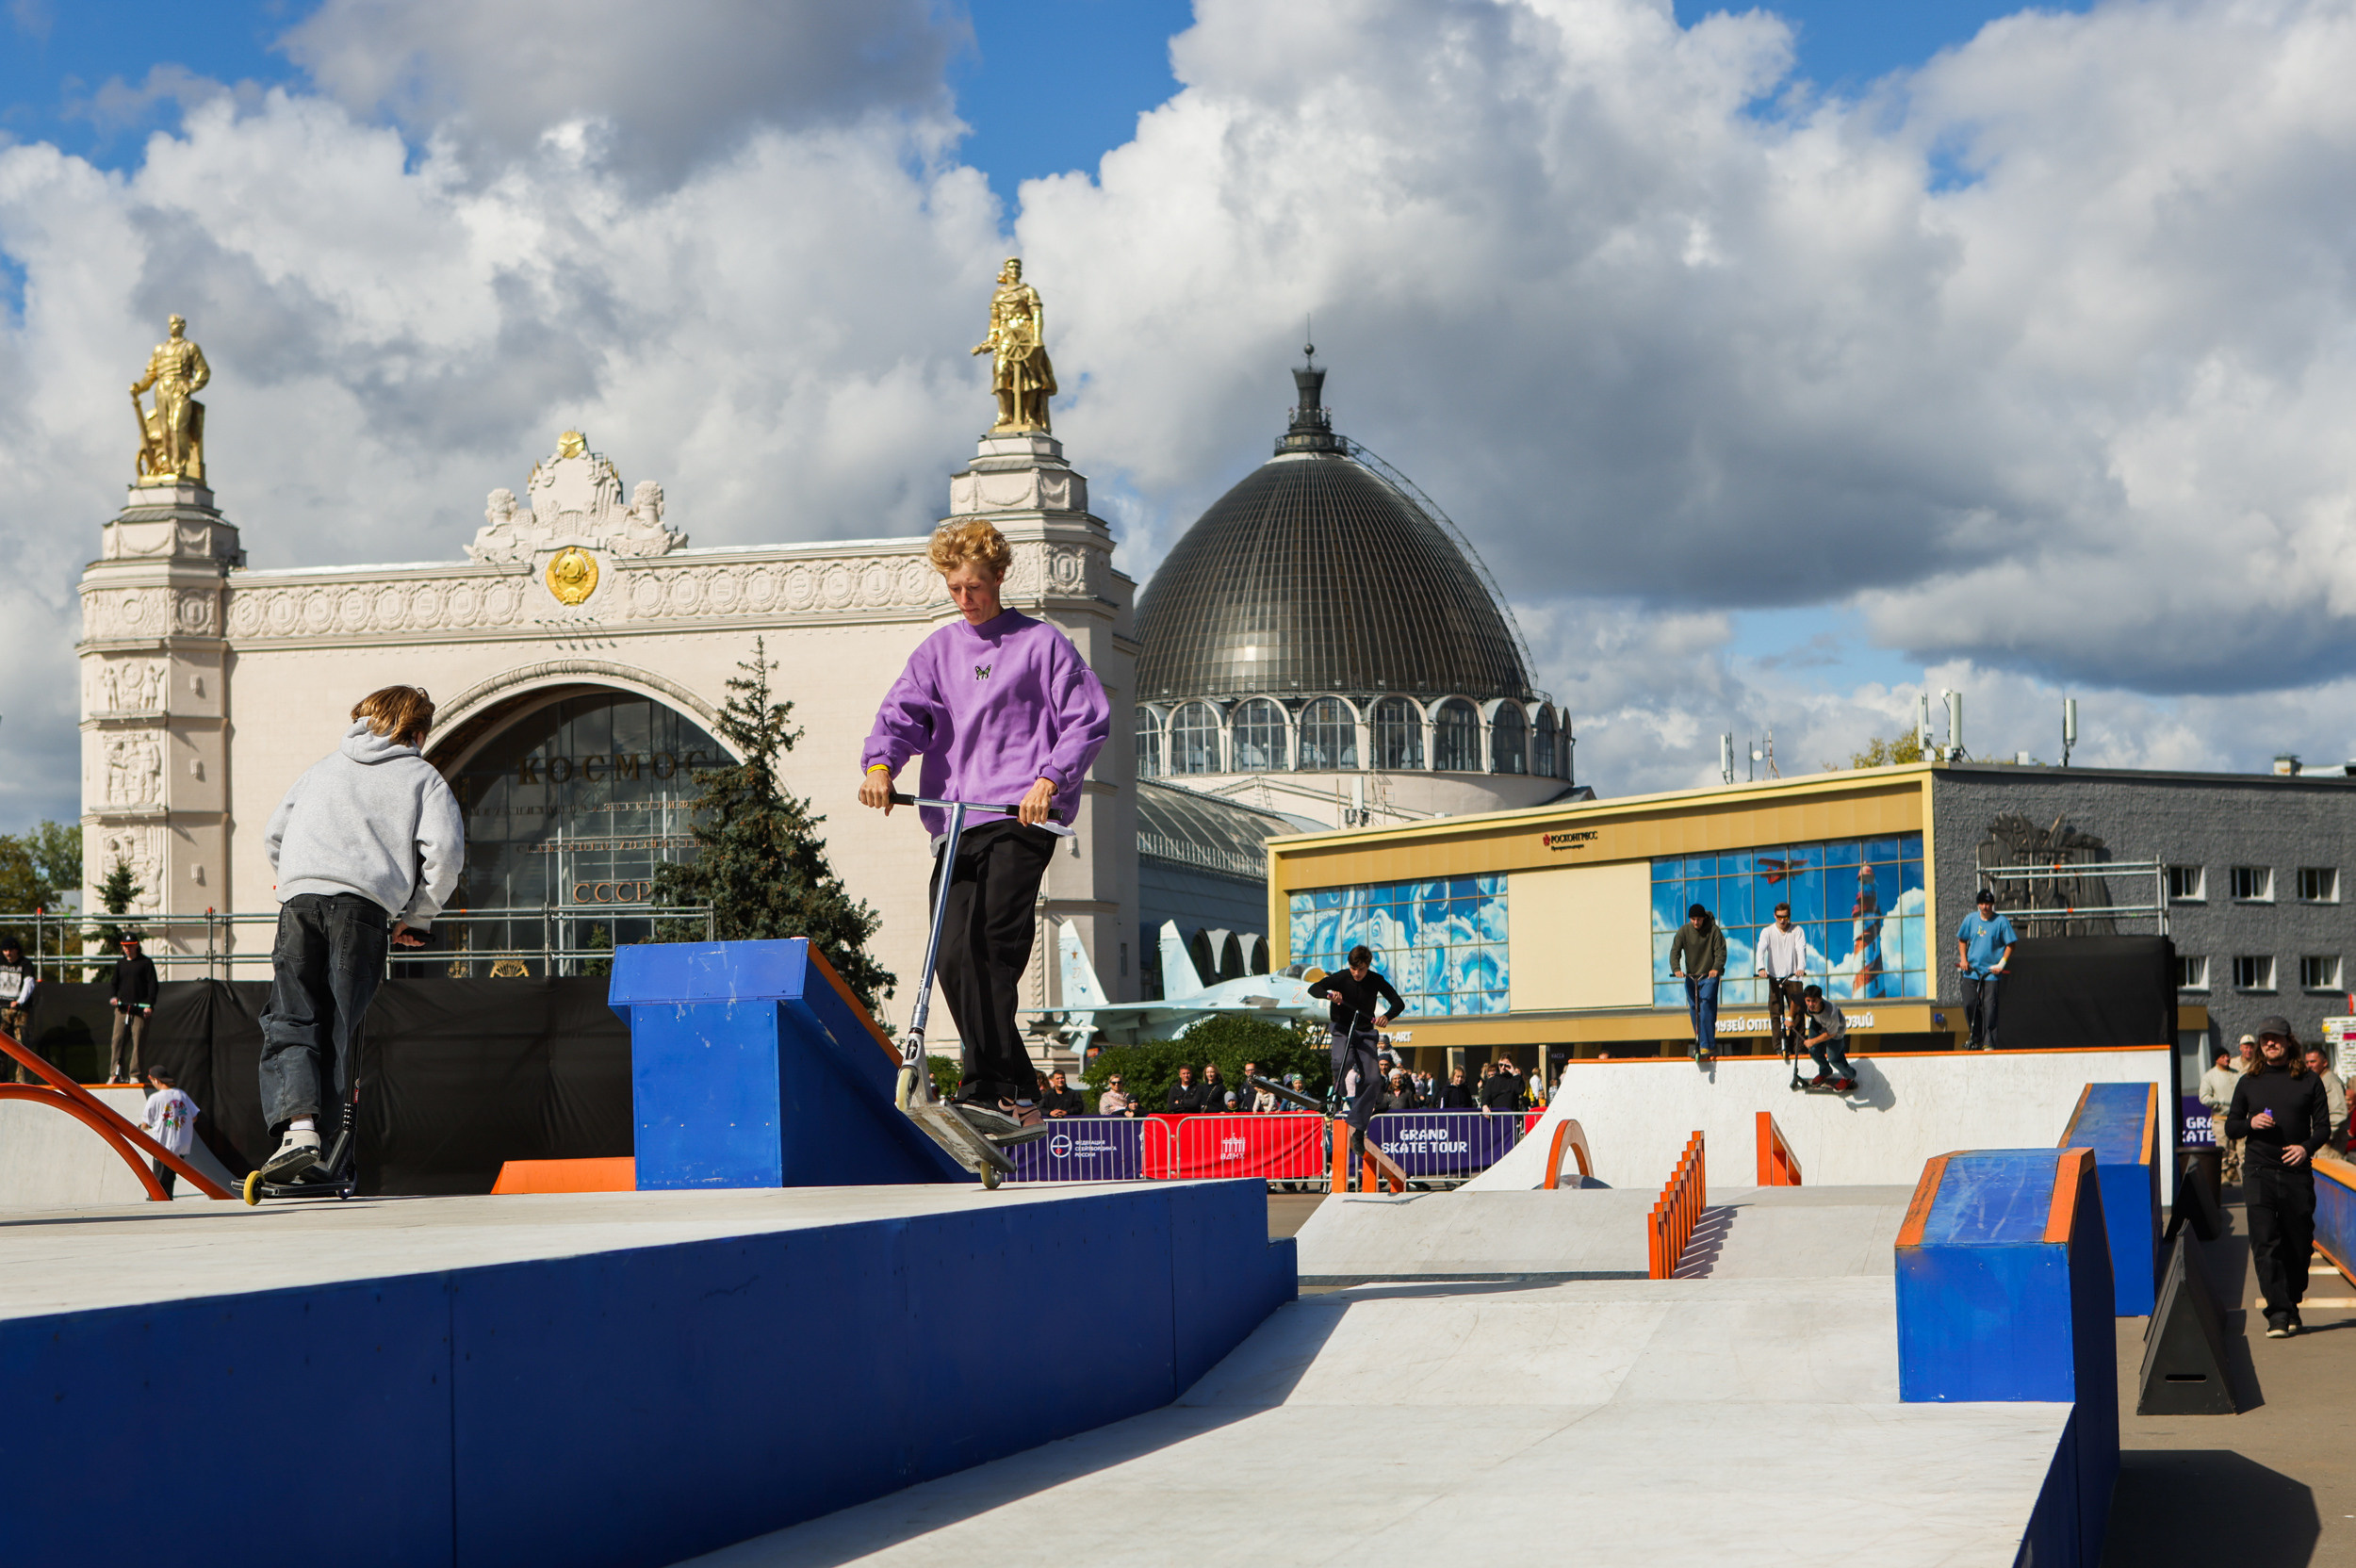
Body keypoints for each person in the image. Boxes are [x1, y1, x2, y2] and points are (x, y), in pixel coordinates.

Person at [859, 518, 1111, 1121]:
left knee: (991, 946)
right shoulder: (938, 652)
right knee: (950, 955)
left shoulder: (1042, 644)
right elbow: (900, 717)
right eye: (954, 588)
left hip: (1020, 817)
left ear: (999, 577)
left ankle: (987, 1086)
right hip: (956, 823)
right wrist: (881, 767)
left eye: (973, 586)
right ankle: (1019, 1088)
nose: (964, 598)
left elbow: (1086, 719)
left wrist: (1049, 780)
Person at [254, 685, 464, 1184]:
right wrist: (417, 916)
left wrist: (297, 879)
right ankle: (327, 1152)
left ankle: (299, 1131)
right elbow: (446, 854)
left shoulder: (322, 769)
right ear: (417, 732)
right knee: (341, 1025)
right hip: (363, 908)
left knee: (291, 1016)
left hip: (299, 904)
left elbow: (274, 834)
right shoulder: (422, 778)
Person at [2224, 1018, 2331, 1336]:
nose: (2270, 1043)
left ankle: (2291, 1301)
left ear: (2289, 1042)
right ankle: (2279, 1314)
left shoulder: (2309, 1080)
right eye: (2265, 1039)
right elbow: (2232, 1126)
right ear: (2260, 1045)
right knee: (2264, 1242)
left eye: (2276, 1038)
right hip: (2259, 1171)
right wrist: (2250, 1123)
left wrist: (2305, 1148)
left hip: (2296, 1172)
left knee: (2299, 1244)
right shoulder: (2248, 1081)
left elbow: (2323, 1128)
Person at [1307, 945, 1405, 1145]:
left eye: (1360, 969)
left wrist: (1387, 1016)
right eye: (1353, 969)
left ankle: (1358, 1126)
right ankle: (1337, 1095)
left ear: (1368, 966)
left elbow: (1398, 1003)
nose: (1356, 974)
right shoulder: (1341, 977)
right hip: (1342, 1029)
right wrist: (1329, 995)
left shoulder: (1376, 980)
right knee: (1342, 1062)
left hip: (1365, 1033)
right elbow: (1314, 988)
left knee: (1373, 1080)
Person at [1954, 890, 2017, 1051]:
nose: (1984, 907)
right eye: (1982, 904)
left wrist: (2001, 964)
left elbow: (2011, 944)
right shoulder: (1971, 919)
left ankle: (1989, 1041)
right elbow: (1962, 940)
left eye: (1987, 904)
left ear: (1992, 904)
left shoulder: (2001, 922)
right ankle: (1975, 1038)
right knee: (1969, 1003)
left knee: (1990, 1007)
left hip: (1991, 972)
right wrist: (1964, 960)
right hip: (1972, 970)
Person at [1668, 903, 1726, 1061]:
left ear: (1703, 918)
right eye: (1693, 919)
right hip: (1691, 977)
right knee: (1694, 1008)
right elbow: (1675, 952)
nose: (1696, 922)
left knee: (1706, 1005)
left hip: (1709, 976)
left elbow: (1720, 952)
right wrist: (1676, 969)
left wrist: (1716, 968)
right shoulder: (1684, 931)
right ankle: (1701, 1042)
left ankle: (1707, 1044)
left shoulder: (1714, 931)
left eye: (1698, 919)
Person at [1754, 902, 1809, 1058]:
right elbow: (1761, 950)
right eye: (1779, 917)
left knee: (1797, 1012)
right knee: (1775, 1012)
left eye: (1785, 917)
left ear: (1789, 916)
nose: (1782, 920)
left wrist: (1800, 968)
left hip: (1793, 977)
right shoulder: (1767, 932)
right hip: (1775, 977)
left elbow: (1801, 950)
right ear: (1774, 916)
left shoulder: (1797, 931)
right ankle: (1779, 1046)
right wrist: (1761, 968)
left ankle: (1798, 1046)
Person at [137, 1067, 199, 1198]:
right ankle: (168, 1200)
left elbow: (146, 1123)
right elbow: (194, 1117)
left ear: (156, 1080)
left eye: (152, 1081)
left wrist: (142, 1128)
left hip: (163, 1146)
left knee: (159, 1182)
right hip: (181, 1146)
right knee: (170, 1178)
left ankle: (157, 1201)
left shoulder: (155, 1098)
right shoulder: (182, 1094)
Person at [107, 934, 158, 1084]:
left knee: (138, 1042)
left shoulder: (146, 963)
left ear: (136, 945)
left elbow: (153, 985)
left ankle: (135, 1074)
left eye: (130, 946)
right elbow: (114, 983)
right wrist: (114, 997)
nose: (127, 949)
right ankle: (115, 1074)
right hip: (122, 1009)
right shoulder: (121, 964)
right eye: (125, 946)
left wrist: (149, 1005)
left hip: (140, 1010)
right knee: (117, 1040)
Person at [2201, 1045, 2247, 1184]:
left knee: (2242, 1146)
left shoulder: (2237, 1074)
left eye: (2227, 1056)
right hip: (2221, 1118)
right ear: (2217, 1060)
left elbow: (2245, 1092)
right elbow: (2204, 1097)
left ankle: (2240, 1173)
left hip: (2239, 1118)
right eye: (2223, 1057)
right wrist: (2219, 1104)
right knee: (2223, 1147)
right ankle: (2223, 1174)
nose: (2227, 1059)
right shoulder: (2209, 1076)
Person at [1798, 985, 1857, 1090]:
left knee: (1834, 1059)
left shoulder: (1831, 1013)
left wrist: (1812, 1041)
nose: (1810, 1004)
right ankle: (1826, 1071)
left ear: (1820, 999)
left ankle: (1849, 1076)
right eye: (1808, 1001)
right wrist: (1790, 1018)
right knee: (1813, 1051)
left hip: (1836, 1031)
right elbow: (1794, 1000)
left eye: (1814, 1001)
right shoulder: (1805, 1002)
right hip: (1818, 1024)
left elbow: (1831, 1034)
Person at [0, 935, 37, 1083]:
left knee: (21, 1045)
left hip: (20, 1010)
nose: (8, 954)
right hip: (2, 1009)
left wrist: (20, 1001)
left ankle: (21, 1079)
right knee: (2, 1045)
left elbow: (29, 983)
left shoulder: (25, 964)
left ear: (17, 950)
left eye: (11, 950)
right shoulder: (1, 961)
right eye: (5, 951)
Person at [2302, 1047, 2348, 1151]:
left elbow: (2339, 1113)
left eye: (2313, 1062)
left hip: (2330, 1144)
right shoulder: (2318, 1080)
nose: (2309, 1065)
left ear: (2325, 1062)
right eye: (2307, 1062)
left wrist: (2323, 1136)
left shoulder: (2330, 1081)